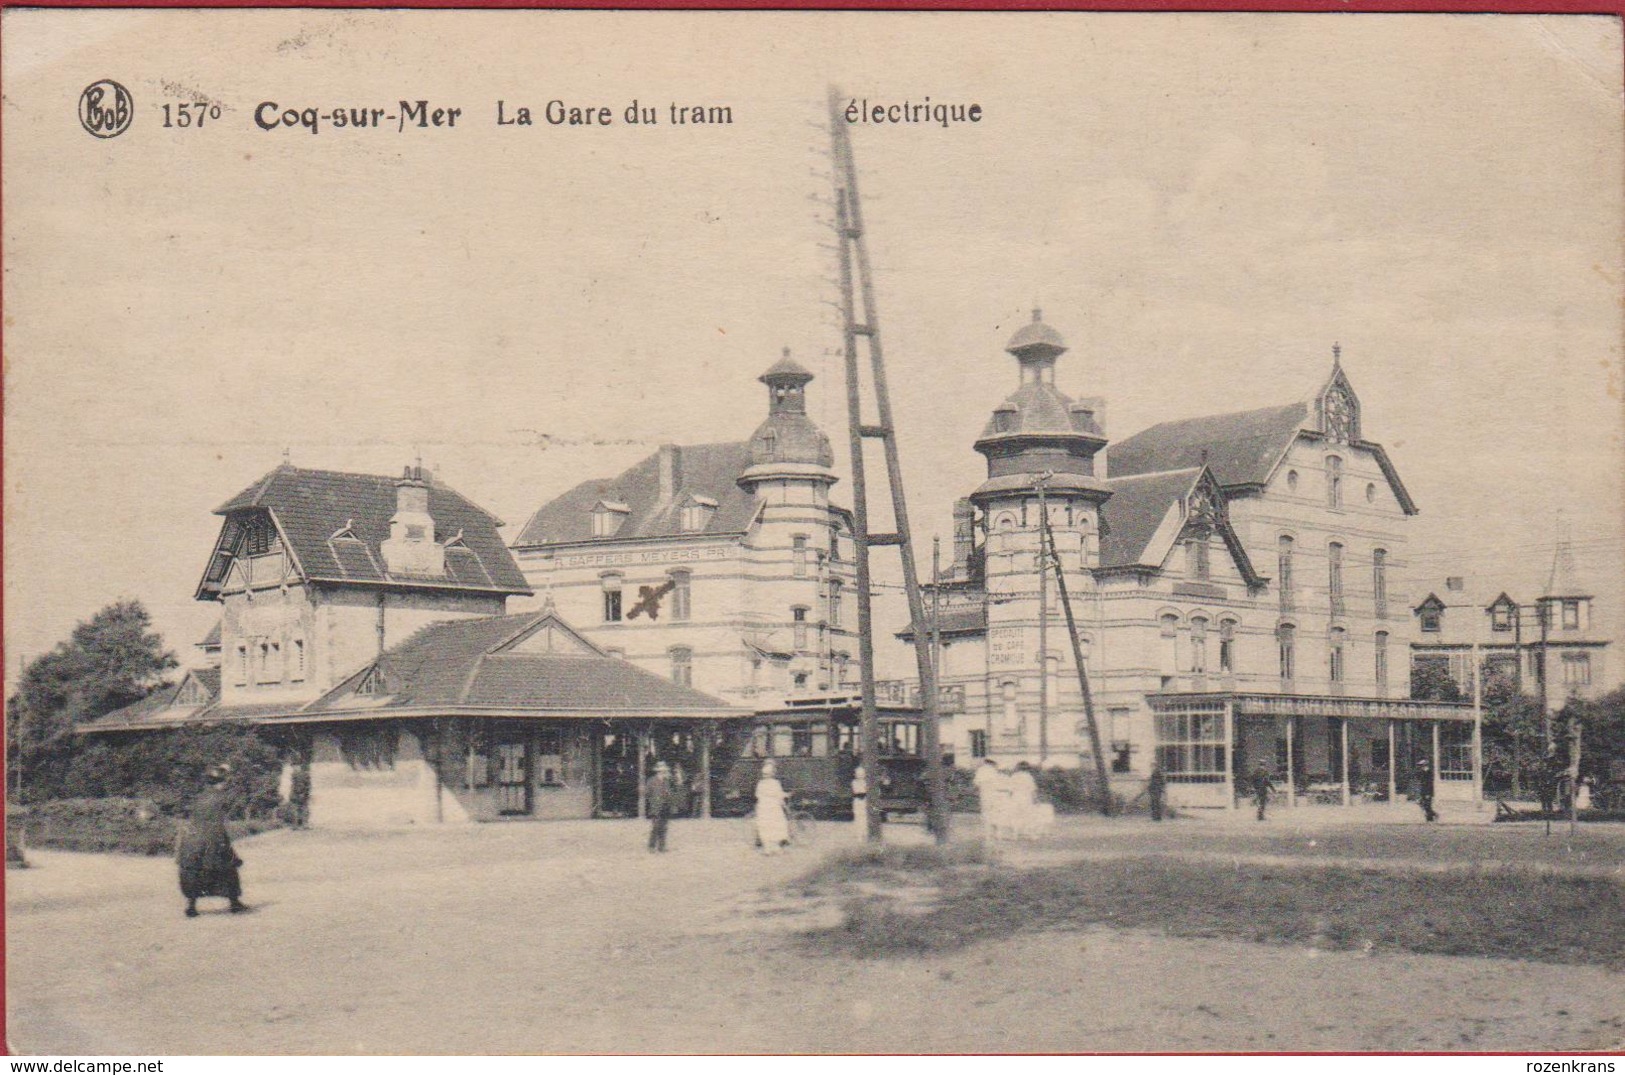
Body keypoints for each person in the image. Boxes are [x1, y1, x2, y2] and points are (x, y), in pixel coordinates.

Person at [177, 763, 247, 918]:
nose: (224, 785)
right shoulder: (219, 797)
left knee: (194, 872)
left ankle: (191, 906)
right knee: (229, 869)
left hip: (192, 839)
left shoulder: (200, 796)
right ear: (220, 782)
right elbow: (224, 813)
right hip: (212, 837)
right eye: (223, 782)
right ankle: (234, 903)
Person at [754, 760, 789, 854]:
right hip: (774, 807)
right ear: (772, 774)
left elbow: (757, 795)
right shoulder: (775, 783)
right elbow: (779, 795)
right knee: (777, 825)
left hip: (763, 807)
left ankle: (767, 848)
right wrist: (786, 798)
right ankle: (776, 847)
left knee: (765, 826)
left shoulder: (760, 783)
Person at [645, 760, 676, 853]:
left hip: (665, 806)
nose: (664, 773)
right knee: (655, 827)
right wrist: (653, 801)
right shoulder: (651, 780)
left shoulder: (666, 781)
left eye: (664, 771)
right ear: (658, 771)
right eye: (662, 771)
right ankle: (651, 846)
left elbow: (670, 793)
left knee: (664, 827)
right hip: (656, 806)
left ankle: (661, 846)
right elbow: (647, 793)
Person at [973, 758, 1005, 840]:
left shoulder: (980, 770)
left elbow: (976, 783)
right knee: (996, 813)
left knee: (986, 814)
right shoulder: (994, 771)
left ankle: (988, 835)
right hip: (996, 794)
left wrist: (977, 790)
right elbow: (1000, 784)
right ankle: (998, 834)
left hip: (984, 794)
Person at [1009, 761, 1040, 839]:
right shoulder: (1028, 776)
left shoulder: (1014, 776)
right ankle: (1031, 835)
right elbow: (1032, 789)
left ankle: (1014, 834)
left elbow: (1010, 789)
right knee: (1028, 816)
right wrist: (1036, 799)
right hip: (1026, 797)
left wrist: (1010, 798)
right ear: (1027, 768)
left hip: (1016, 797)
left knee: (1016, 816)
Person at [1415, 756, 1438, 822]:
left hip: (1428, 791)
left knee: (1427, 805)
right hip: (1423, 790)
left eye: (1422, 765)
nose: (1421, 767)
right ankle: (1431, 816)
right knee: (1423, 804)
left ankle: (1431, 817)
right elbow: (1420, 780)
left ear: (1425, 765)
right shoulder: (1421, 772)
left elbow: (1429, 784)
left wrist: (1428, 793)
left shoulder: (1429, 773)